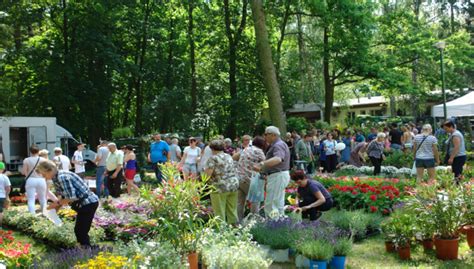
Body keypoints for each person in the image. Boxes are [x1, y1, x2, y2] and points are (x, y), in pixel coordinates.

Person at [37, 160, 99, 247]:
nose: (44, 177)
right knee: (80, 230)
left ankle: (87, 250)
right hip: (85, 203)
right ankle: (86, 248)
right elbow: (63, 196)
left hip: (88, 203)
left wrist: (55, 204)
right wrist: (53, 211)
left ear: (50, 170)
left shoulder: (62, 177)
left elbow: (71, 197)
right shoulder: (57, 176)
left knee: (81, 231)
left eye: (44, 174)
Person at [254, 126, 290, 218]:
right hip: (278, 175)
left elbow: (278, 159)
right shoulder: (277, 144)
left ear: (273, 135)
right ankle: (280, 224)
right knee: (278, 203)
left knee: (271, 204)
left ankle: (272, 225)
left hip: (277, 175)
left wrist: (261, 164)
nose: (264, 137)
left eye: (266, 134)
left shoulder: (278, 145)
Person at [204, 139, 239, 224]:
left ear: (212, 148)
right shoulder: (228, 156)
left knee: (219, 211)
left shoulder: (213, 158)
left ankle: (221, 233)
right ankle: (235, 230)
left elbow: (207, 176)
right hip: (234, 185)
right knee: (232, 209)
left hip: (220, 187)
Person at [233, 136, 265, 221]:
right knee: (255, 201)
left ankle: (237, 222)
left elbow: (234, 157)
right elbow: (265, 164)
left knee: (240, 202)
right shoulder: (259, 152)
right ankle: (253, 221)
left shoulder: (246, 149)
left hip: (239, 178)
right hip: (250, 180)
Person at [22, 145, 47, 214]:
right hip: (41, 179)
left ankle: (32, 215)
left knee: (31, 199)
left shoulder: (26, 160)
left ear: (30, 152)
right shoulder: (43, 160)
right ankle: (44, 213)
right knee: (42, 198)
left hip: (31, 179)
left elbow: (24, 172)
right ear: (39, 151)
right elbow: (47, 171)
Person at [0, 162, 11, 227]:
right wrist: (7, 196)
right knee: (0, 211)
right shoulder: (4, 177)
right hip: (1, 196)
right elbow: (8, 188)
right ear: (3, 169)